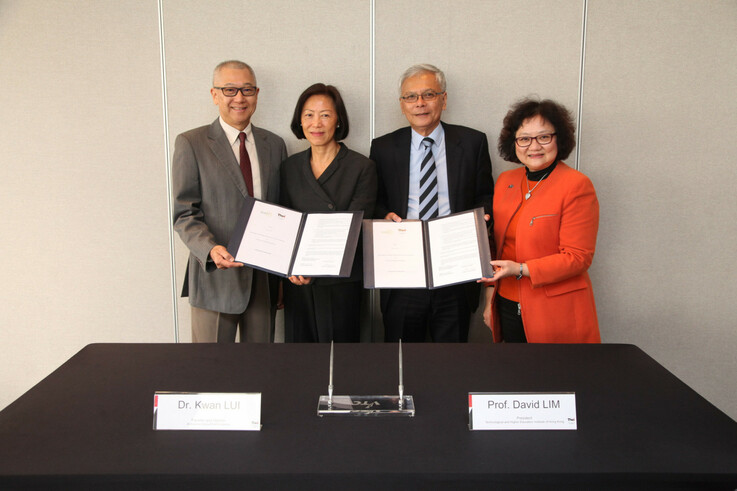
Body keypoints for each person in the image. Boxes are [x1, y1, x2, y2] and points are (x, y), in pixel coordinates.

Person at [370, 64, 493, 343]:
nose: (420, 103)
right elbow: (374, 202)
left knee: (450, 361)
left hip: (455, 268)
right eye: (411, 97)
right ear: (402, 105)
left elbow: (485, 195)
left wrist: (483, 218)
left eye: (429, 94)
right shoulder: (384, 147)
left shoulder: (473, 142)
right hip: (403, 270)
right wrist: (384, 215)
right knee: (401, 358)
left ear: (444, 99)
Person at [172, 60, 287, 343]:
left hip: (263, 281)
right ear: (214, 95)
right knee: (210, 372)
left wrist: (283, 275)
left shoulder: (275, 144)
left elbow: (282, 210)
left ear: (257, 94)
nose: (239, 98)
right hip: (214, 279)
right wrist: (210, 249)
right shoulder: (192, 143)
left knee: (260, 370)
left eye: (247, 89)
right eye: (229, 90)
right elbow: (183, 212)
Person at [480, 98, 600, 343]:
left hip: (554, 309)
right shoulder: (506, 181)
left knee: (553, 379)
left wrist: (522, 269)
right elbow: (496, 245)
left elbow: (578, 258)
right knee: (514, 377)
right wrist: (489, 299)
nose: (533, 146)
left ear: (559, 139)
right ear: (513, 143)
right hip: (505, 304)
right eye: (524, 138)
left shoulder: (576, 185)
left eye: (543, 137)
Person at [280, 83, 377, 343]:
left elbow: (355, 228)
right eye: (309, 114)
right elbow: (284, 225)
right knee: (301, 359)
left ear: (338, 120)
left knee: (340, 364)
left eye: (325, 115)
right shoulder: (289, 167)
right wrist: (290, 268)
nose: (316, 123)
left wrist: (316, 267)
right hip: (298, 281)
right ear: (299, 121)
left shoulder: (361, 167)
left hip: (340, 282)